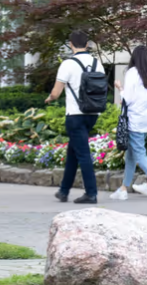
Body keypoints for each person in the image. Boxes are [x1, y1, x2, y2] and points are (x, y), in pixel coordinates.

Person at [45, 30, 103, 204]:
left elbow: (56, 92)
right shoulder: (97, 63)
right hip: (93, 113)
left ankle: (91, 193)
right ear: (87, 44)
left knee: (83, 154)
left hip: (75, 115)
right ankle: (64, 191)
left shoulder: (68, 64)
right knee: (73, 152)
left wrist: (49, 99)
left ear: (71, 44)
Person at [109, 45, 147, 202]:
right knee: (131, 155)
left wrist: (120, 88)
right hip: (145, 118)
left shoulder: (132, 73)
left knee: (139, 153)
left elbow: (127, 98)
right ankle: (123, 189)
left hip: (134, 118)